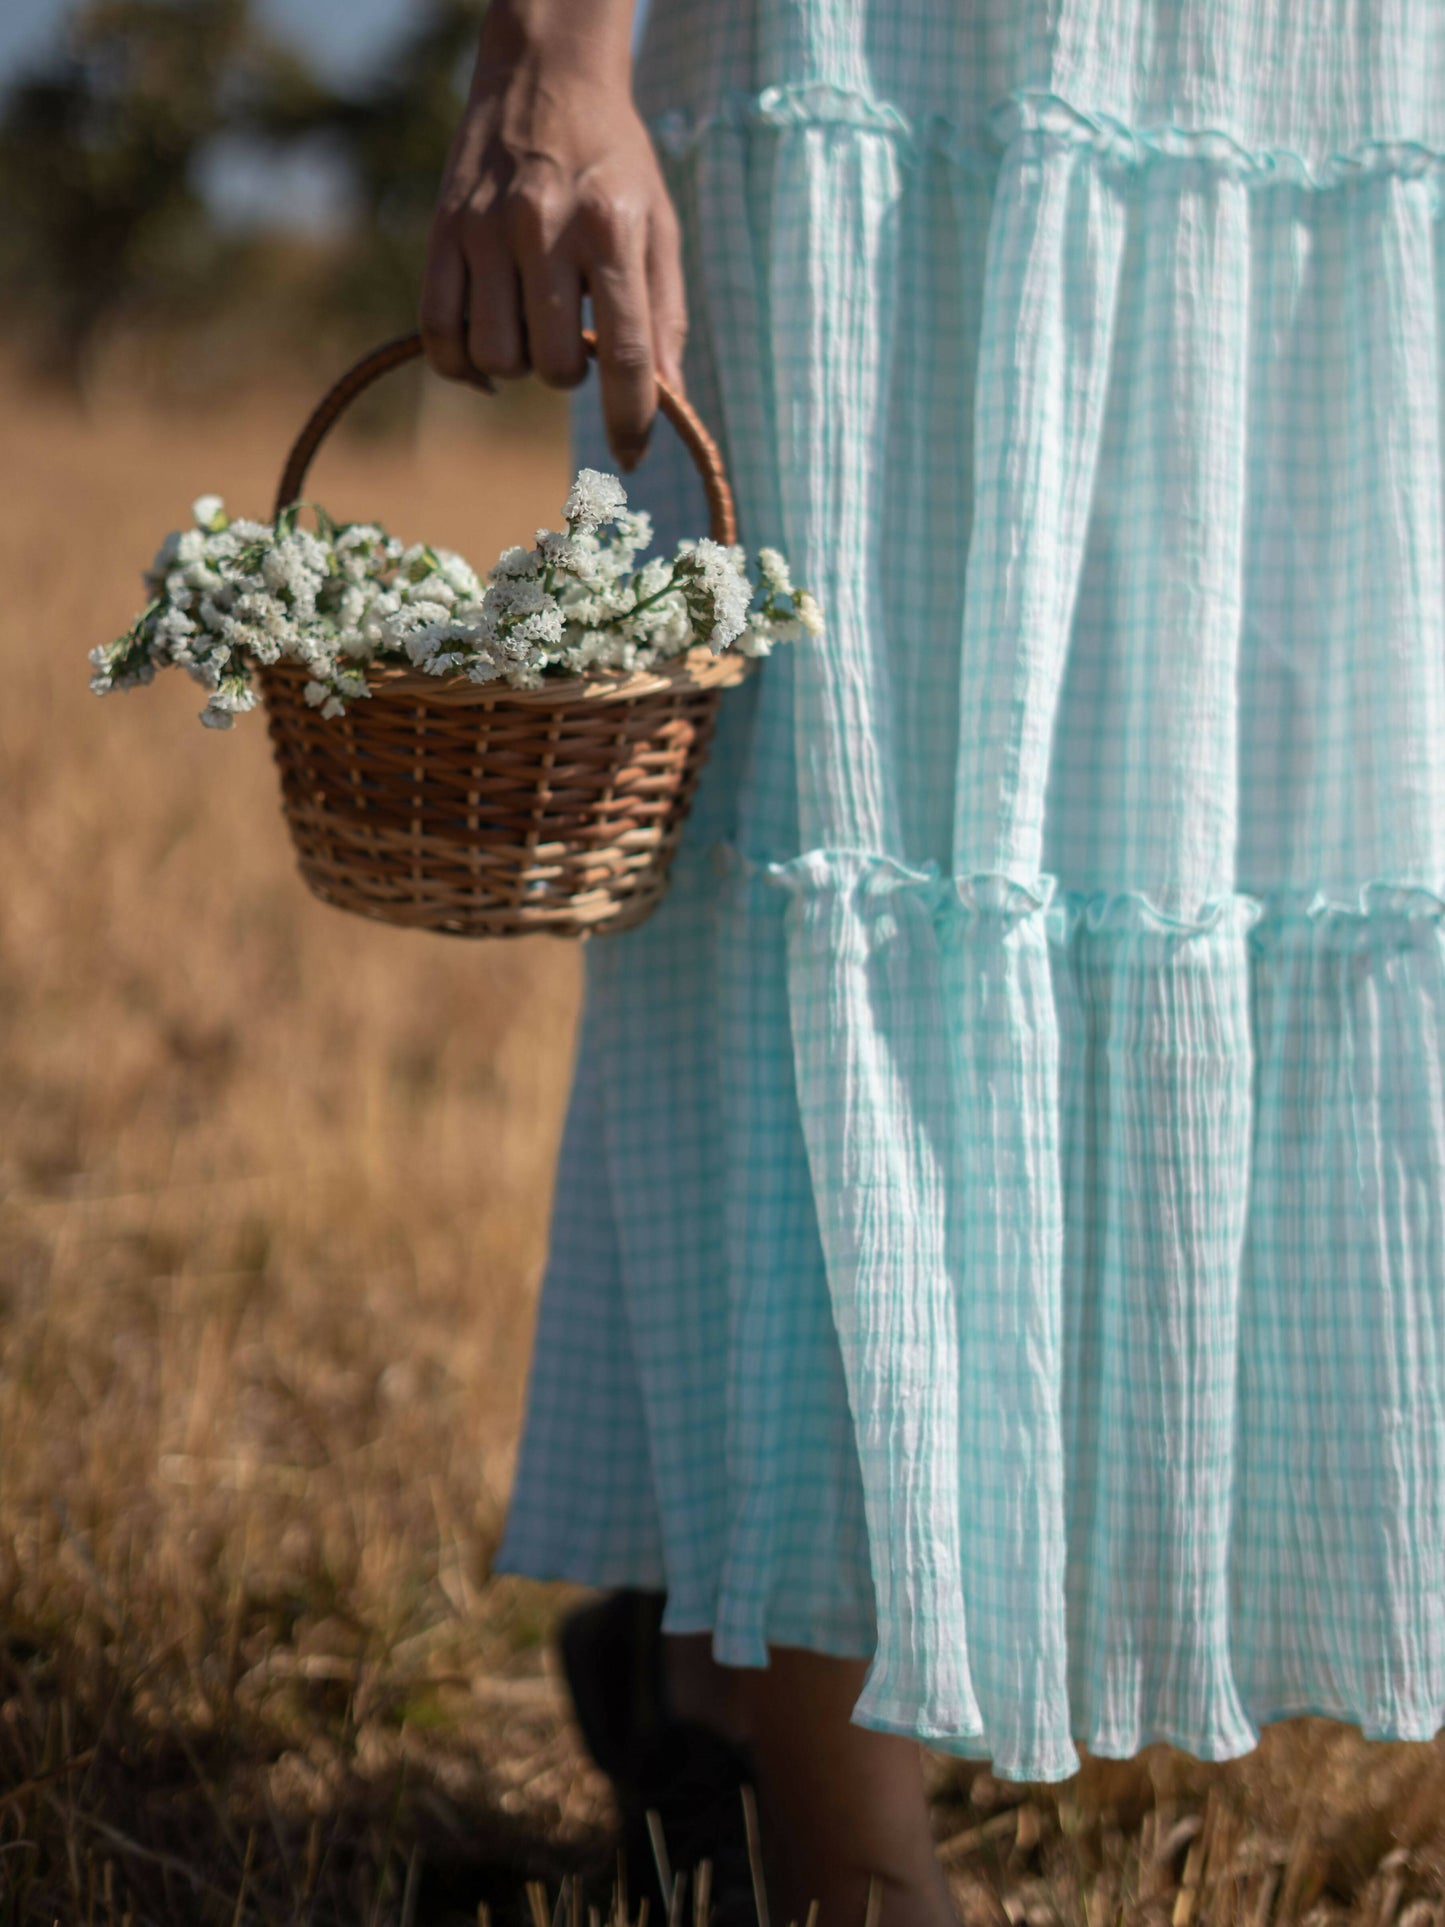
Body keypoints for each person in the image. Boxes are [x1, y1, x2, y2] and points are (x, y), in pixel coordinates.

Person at [421, 1, 1445, 1921]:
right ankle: (846, 1853)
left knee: (1238, 792)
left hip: (1301, 67)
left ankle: (729, 1653)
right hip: (884, 61)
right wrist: (549, 55)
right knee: (854, 818)